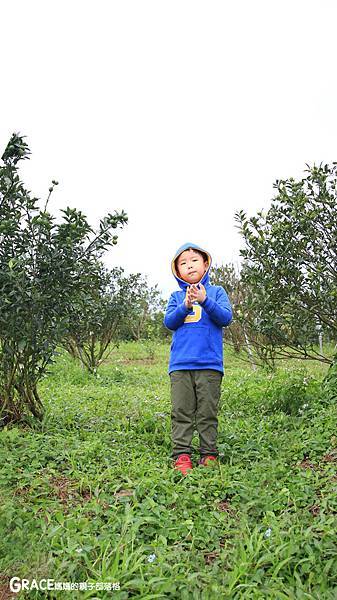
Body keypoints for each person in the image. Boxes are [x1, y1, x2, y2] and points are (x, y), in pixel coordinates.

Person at [163, 243, 233, 475]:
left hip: (210, 365)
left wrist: (204, 300)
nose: (189, 265)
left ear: (205, 265)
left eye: (194, 260)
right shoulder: (175, 296)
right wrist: (185, 305)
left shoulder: (216, 292)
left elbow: (225, 318)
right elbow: (169, 322)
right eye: (183, 263)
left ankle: (208, 454)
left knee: (207, 412)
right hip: (181, 365)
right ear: (177, 271)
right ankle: (182, 454)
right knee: (181, 410)